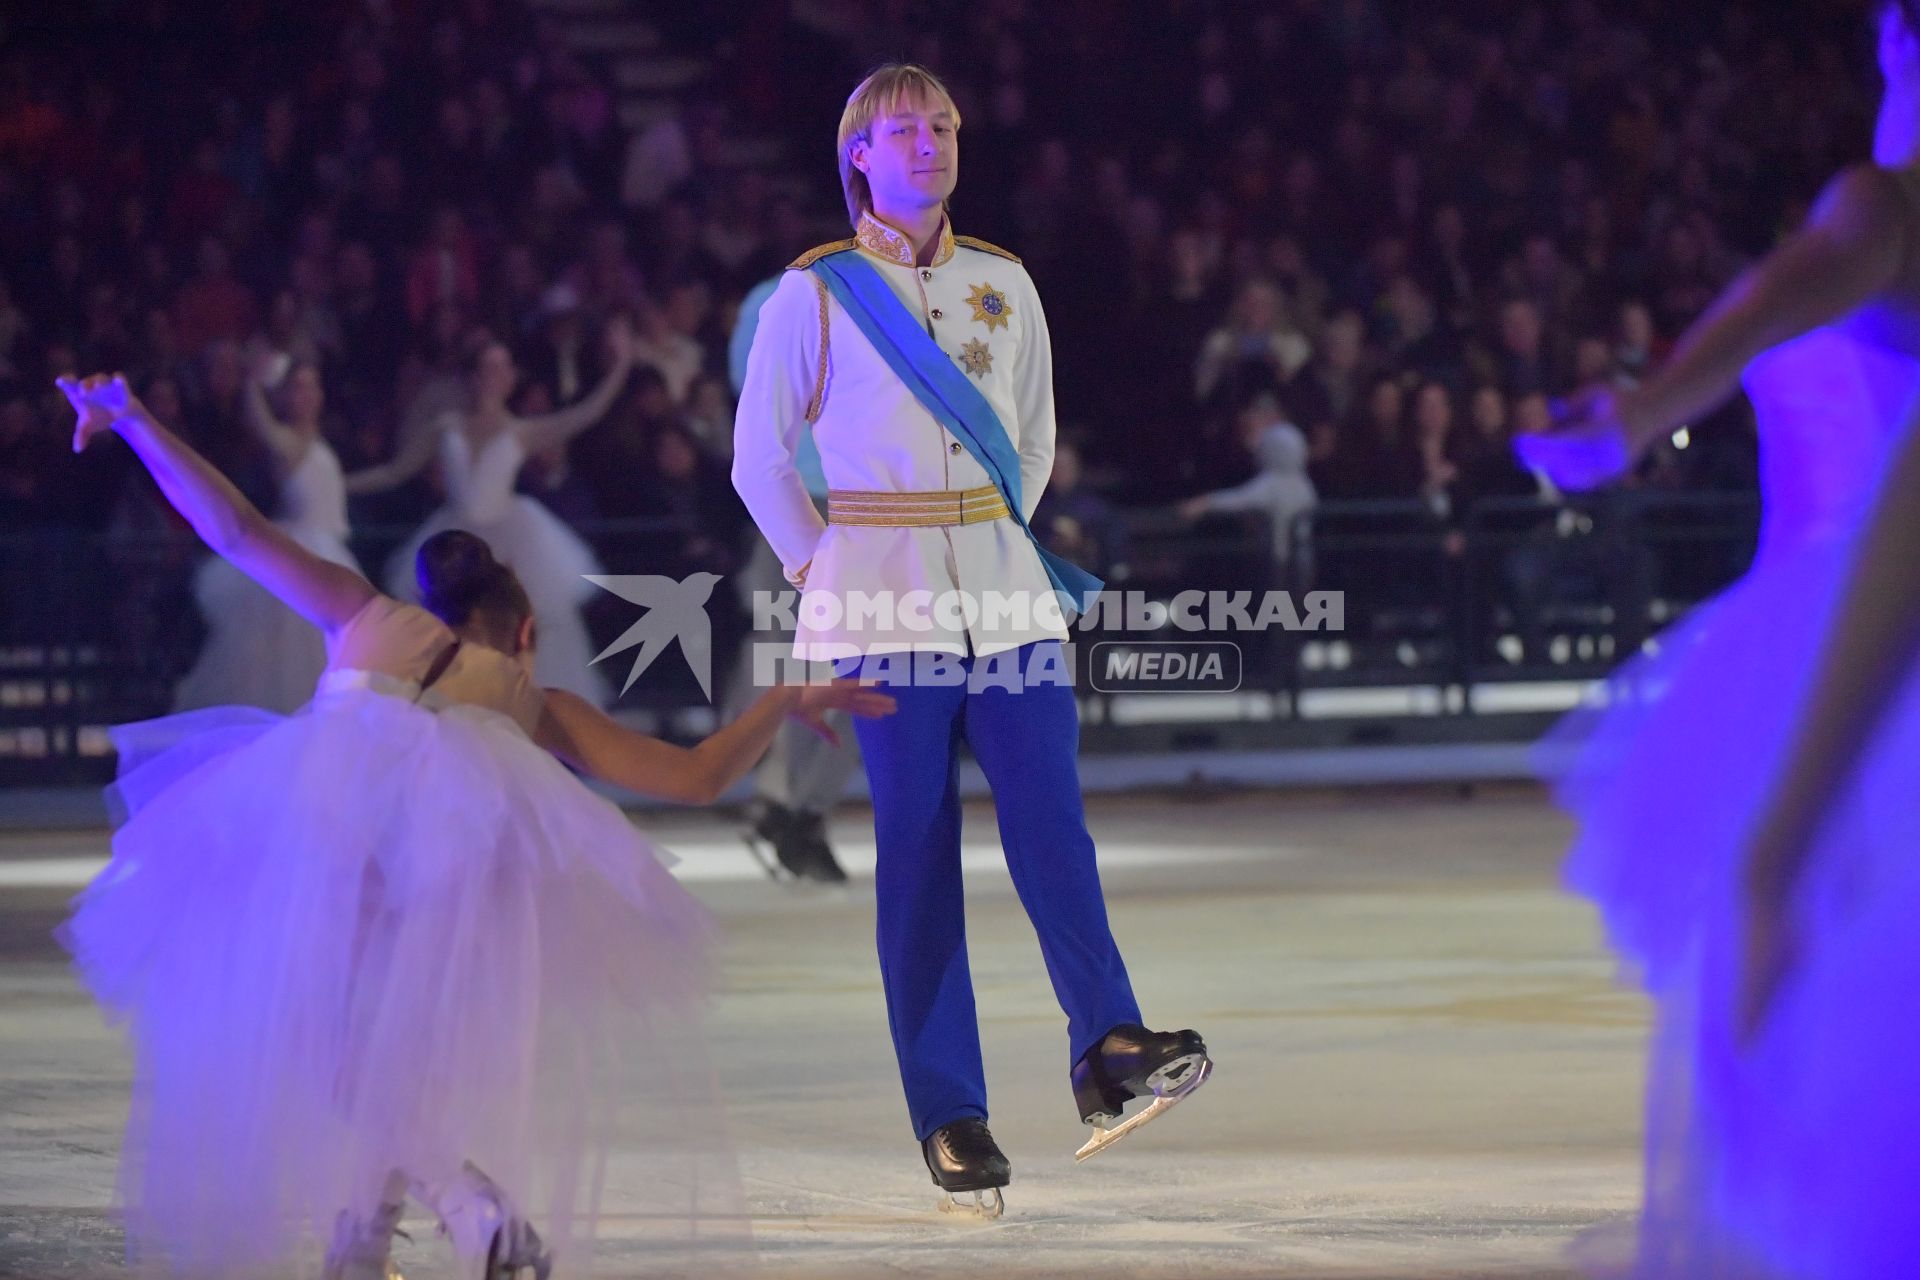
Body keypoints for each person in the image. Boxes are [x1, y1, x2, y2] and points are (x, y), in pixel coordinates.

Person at [55, 372, 892, 1280]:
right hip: (450, 858)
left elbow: (236, 529)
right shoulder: (535, 702)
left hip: (328, 828)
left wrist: (136, 419)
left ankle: (457, 1211)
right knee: (378, 1050)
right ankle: (377, 1237)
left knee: (329, 1046)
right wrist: (781, 702)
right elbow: (694, 778)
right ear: (525, 632)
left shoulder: (367, 614)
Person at [731, 63, 1211, 1218]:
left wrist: (986, 535)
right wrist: (822, 567)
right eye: (905, 131)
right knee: (919, 853)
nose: (931, 144)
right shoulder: (819, 292)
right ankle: (950, 1113)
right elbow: (759, 458)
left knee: (1056, 826)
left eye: (943, 126)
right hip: (881, 604)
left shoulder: (1004, 278)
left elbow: (1033, 442)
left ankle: (1109, 1048)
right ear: (858, 154)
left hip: (1005, 596)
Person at [1517, 2, 1920, 1269]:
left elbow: (1746, 324)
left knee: (1813, 1039)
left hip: (1857, 637)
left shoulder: (1880, 207)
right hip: (1841, 613)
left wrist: (1633, 416)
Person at [350, 319, 635, 705]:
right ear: (472, 375)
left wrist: (620, 365)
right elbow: (396, 470)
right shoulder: (445, 426)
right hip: (455, 538)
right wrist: (341, 483)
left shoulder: (522, 431)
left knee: (523, 631)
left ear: (511, 378)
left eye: (502, 367)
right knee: (449, 631)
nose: (494, 375)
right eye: (487, 367)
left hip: (513, 539)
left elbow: (587, 413)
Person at [724, 273, 862, 884]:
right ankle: (791, 807)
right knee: (835, 668)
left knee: (831, 668)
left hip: (824, 503)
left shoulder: (765, 301)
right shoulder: (864, 294)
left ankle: (790, 807)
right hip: (823, 504)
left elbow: (745, 392)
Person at [174, 354, 360, 712]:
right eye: (297, 387)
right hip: (302, 556)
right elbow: (264, 427)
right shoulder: (287, 441)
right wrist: (252, 384)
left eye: (311, 387)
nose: (305, 395)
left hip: (328, 553)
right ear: (286, 395)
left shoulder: (319, 441)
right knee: (283, 662)